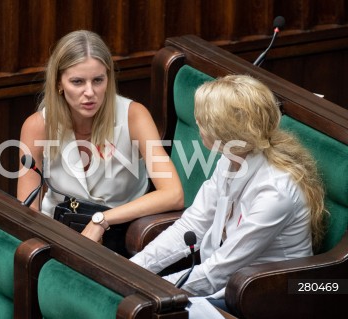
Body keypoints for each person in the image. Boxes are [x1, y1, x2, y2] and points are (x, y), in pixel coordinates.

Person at [130, 74, 327, 309]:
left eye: (202, 120)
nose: (197, 124)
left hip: (269, 298)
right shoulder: (231, 158)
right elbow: (191, 226)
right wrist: (133, 270)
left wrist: (149, 295)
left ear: (224, 132)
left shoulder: (275, 192)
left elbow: (220, 271)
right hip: (230, 285)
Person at [17, 30, 184, 248]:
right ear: (59, 83)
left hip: (122, 236)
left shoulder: (134, 116)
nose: (90, 92)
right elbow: (27, 209)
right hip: (58, 232)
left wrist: (102, 220)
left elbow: (173, 194)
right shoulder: (37, 126)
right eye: (77, 82)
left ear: (108, 78)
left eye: (98, 80)